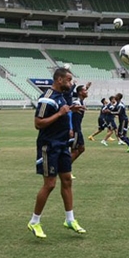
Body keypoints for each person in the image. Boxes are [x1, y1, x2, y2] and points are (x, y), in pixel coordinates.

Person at [27, 67, 86, 239]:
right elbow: (38, 123)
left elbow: (63, 113)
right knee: (50, 184)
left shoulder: (61, 97)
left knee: (67, 180)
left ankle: (70, 219)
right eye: (68, 80)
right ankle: (34, 221)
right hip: (49, 146)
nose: (71, 83)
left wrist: (70, 111)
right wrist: (60, 113)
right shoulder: (47, 99)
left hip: (62, 145)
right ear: (59, 80)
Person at [70, 83, 91, 179]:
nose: (86, 91)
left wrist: (86, 87)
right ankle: (65, 169)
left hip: (78, 129)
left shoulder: (81, 101)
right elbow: (70, 115)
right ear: (80, 93)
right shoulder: (77, 103)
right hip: (75, 130)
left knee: (81, 149)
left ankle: (65, 168)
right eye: (85, 90)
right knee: (75, 150)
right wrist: (71, 129)